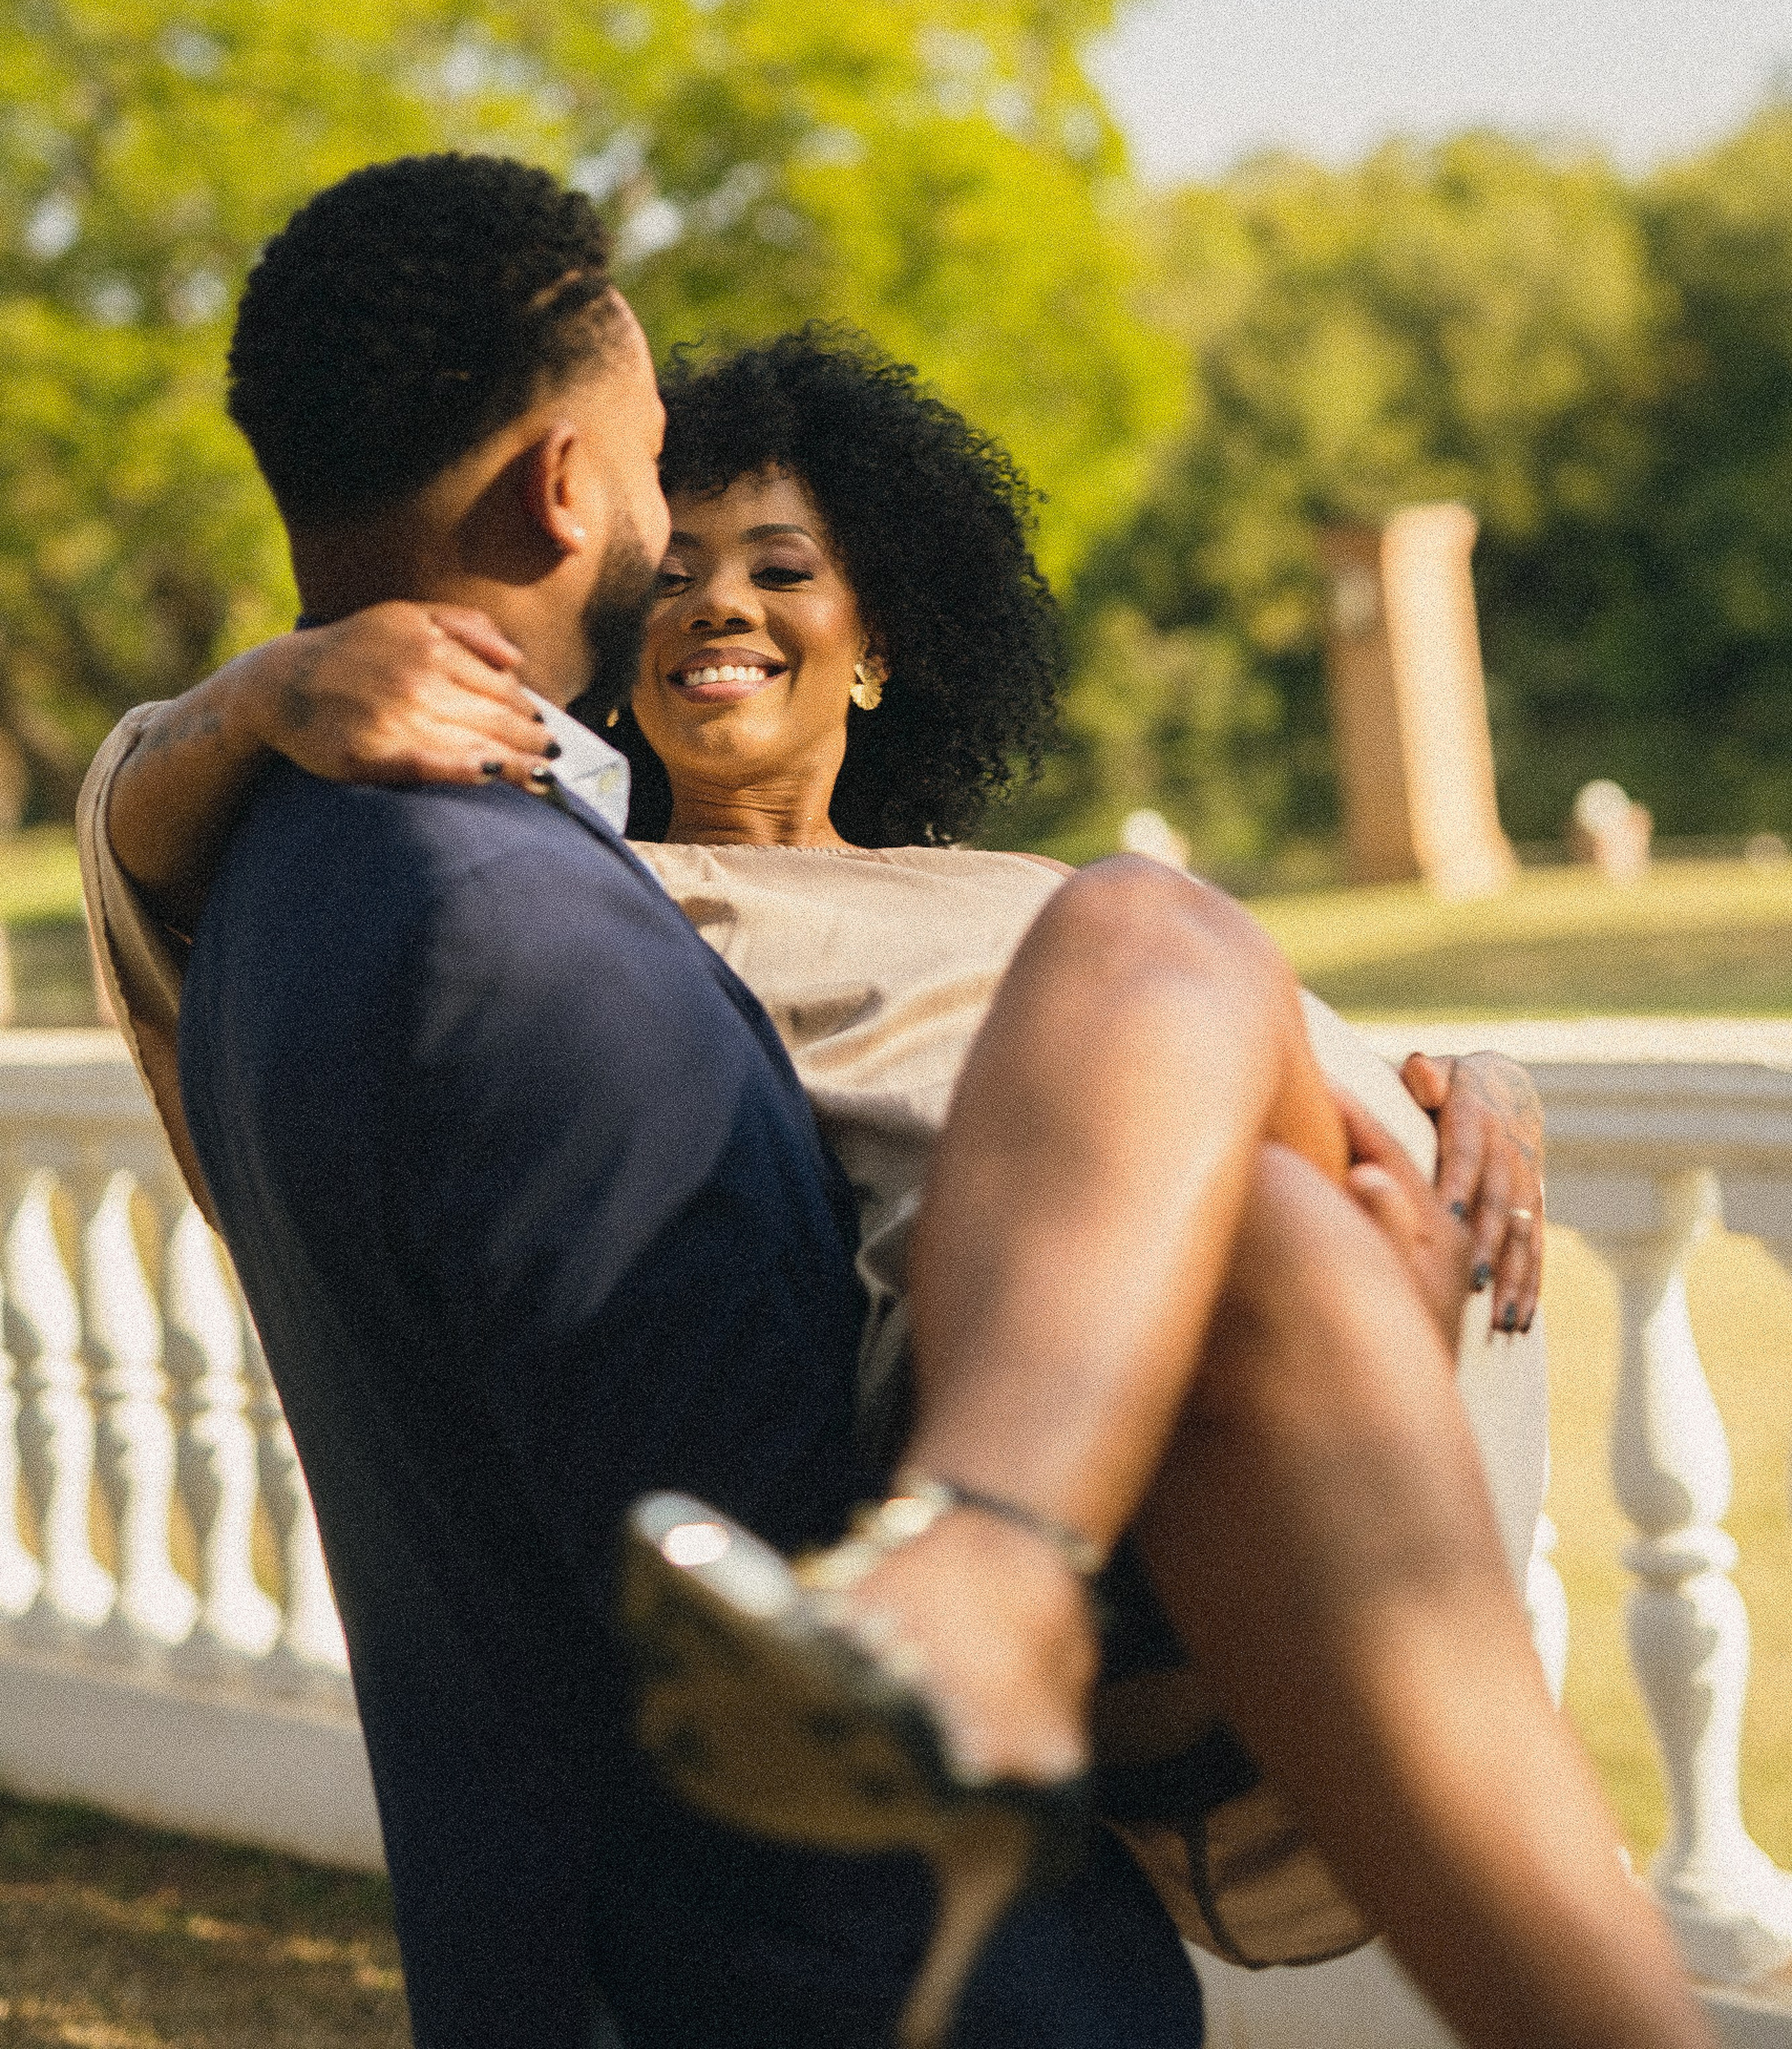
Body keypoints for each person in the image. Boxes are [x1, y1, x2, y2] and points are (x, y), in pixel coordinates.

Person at [81, 180, 1711, 2049]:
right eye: (680, 561)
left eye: (783, 570)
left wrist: (1464, 1096)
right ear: (585, 533)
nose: (719, 599)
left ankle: (987, 1575)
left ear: (877, 642)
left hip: (1339, 1501)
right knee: (1162, 952)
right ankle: (987, 1568)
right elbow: (141, 855)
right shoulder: (583, 906)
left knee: (1168, 988)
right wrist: (257, 694)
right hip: (1113, 1563)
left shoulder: (1025, 903)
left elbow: (1294, 1082)